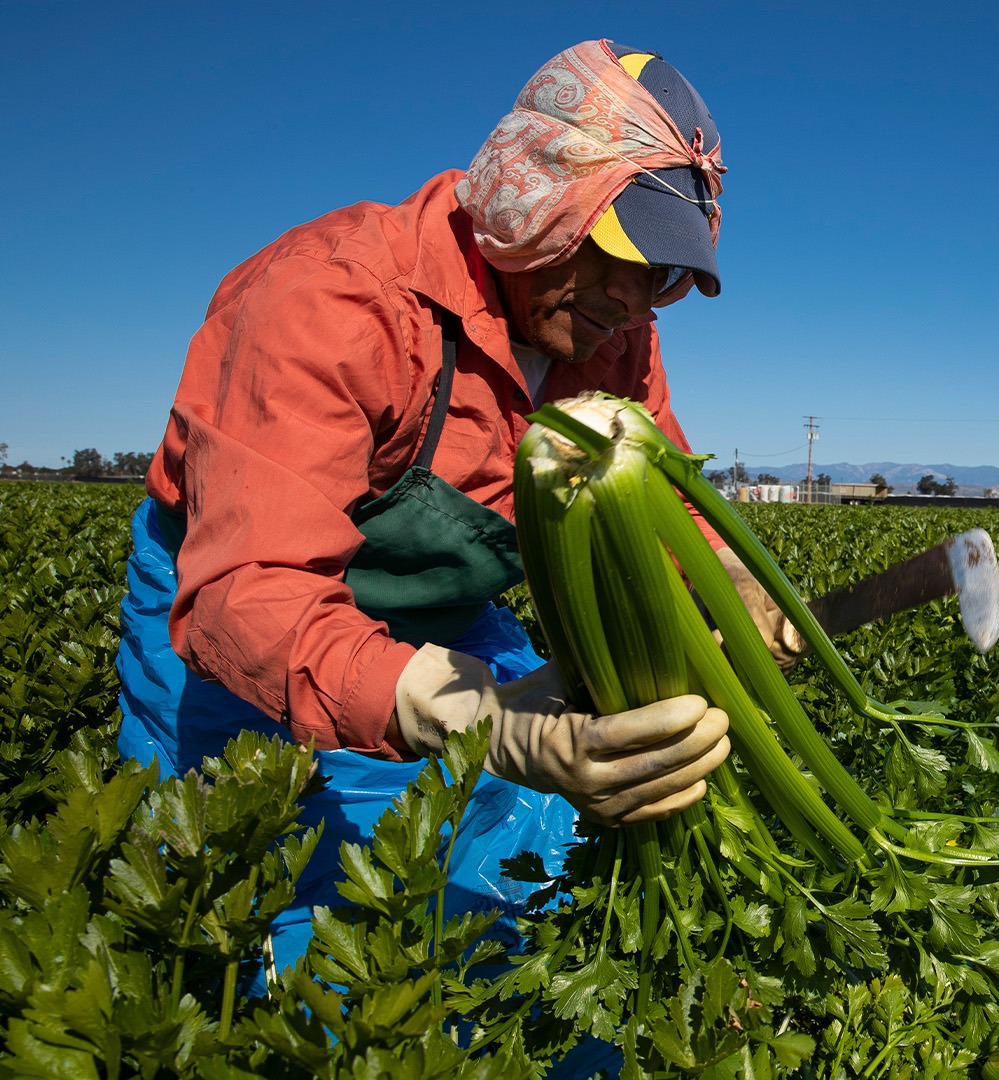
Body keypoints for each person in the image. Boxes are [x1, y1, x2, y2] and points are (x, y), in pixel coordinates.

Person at [115, 40, 802, 979]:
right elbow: (252, 593)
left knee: (526, 862)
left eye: (660, 275)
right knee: (264, 906)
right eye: (616, 251)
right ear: (534, 194)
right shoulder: (332, 300)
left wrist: (720, 572)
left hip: (443, 608)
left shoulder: (612, 338)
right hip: (244, 606)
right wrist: (490, 720)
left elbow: (661, 486)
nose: (631, 297)